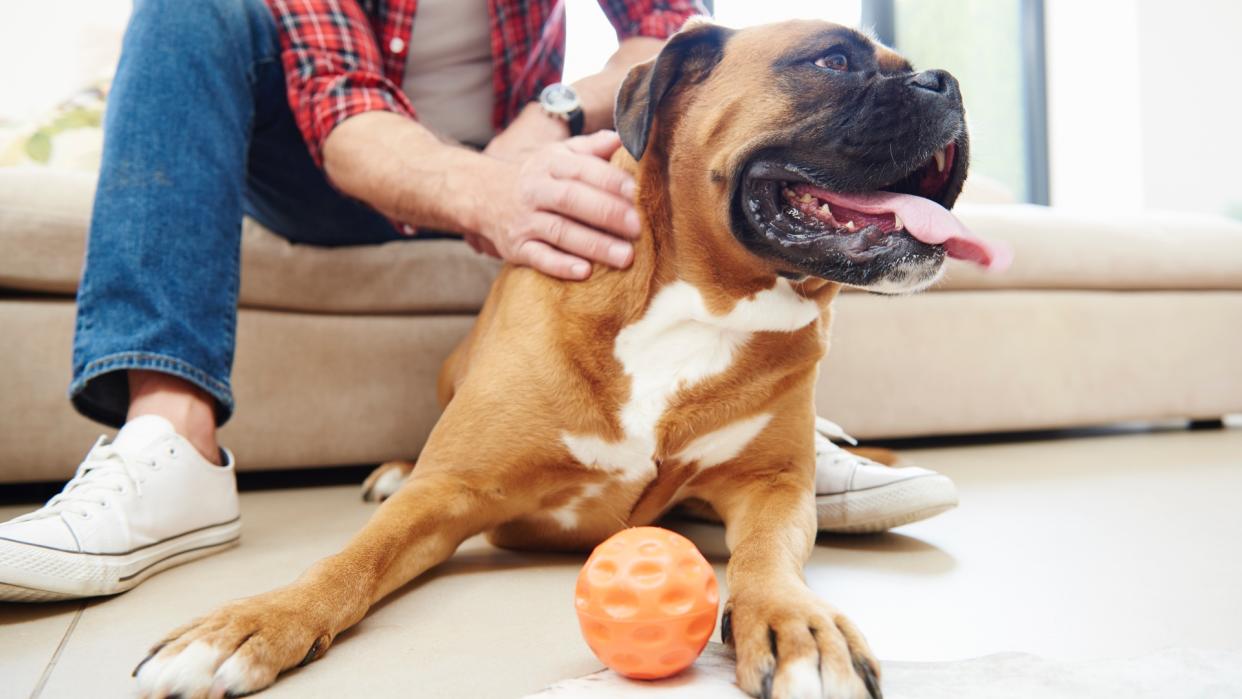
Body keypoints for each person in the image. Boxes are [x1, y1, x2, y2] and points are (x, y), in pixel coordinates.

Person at [0, 0, 957, 603]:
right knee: (189, 6)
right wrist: (483, 192)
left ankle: (748, 433)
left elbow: (671, 33)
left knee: (659, 146)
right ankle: (169, 440)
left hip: (514, 130)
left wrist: (552, 118)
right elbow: (343, 111)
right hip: (328, 166)